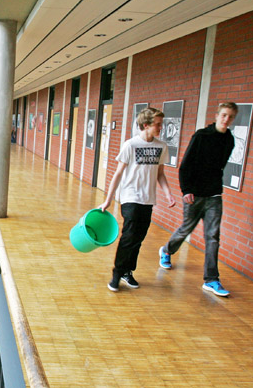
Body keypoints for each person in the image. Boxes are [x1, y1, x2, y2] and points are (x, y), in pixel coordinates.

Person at [158, 102, 238, 297]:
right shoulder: (201, 136)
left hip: (214, 195)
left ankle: (211, 280)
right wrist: (186, 190)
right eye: (224, 115)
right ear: (217, 115)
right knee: (186, 228)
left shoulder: (229, 140)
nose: (226, 119)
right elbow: (185, 165)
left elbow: (219, 167)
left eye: (230, 116)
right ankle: (167, 250)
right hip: (194, 194)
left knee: (212, 237)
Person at [97, 107, 176, 292]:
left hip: (148, 199)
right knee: (129, 236)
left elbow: (161, 174)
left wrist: (168, 193)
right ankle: (117, 274)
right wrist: (108, 200)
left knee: (139, 238)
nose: (160, 127)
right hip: (130, 197)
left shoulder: (161, 146)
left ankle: (127, 272)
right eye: (157, 124)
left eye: (161, 124)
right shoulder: (130, 145)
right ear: (146, 125)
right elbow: (118, 174)